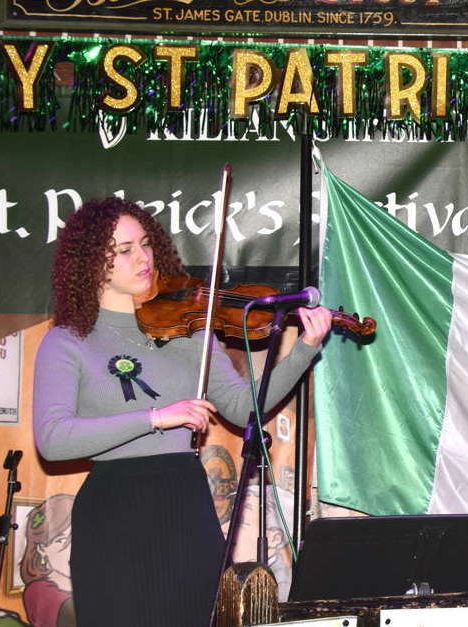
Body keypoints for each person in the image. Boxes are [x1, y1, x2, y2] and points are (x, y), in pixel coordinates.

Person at [32, 197, 331, 626]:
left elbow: (243, 406)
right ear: (91, 265)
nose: (144, 257)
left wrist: (304, 350)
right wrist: (156, 417)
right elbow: (53, 438)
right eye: (124, 250)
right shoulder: (68, 341)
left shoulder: (191, 329)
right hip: (115, 510)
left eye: (146, 243)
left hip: (184, 503)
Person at [20, 494, 75, 627]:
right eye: (60, 540)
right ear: (41, 548)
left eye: (76, 537)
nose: (70, 549)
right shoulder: (39, 591)